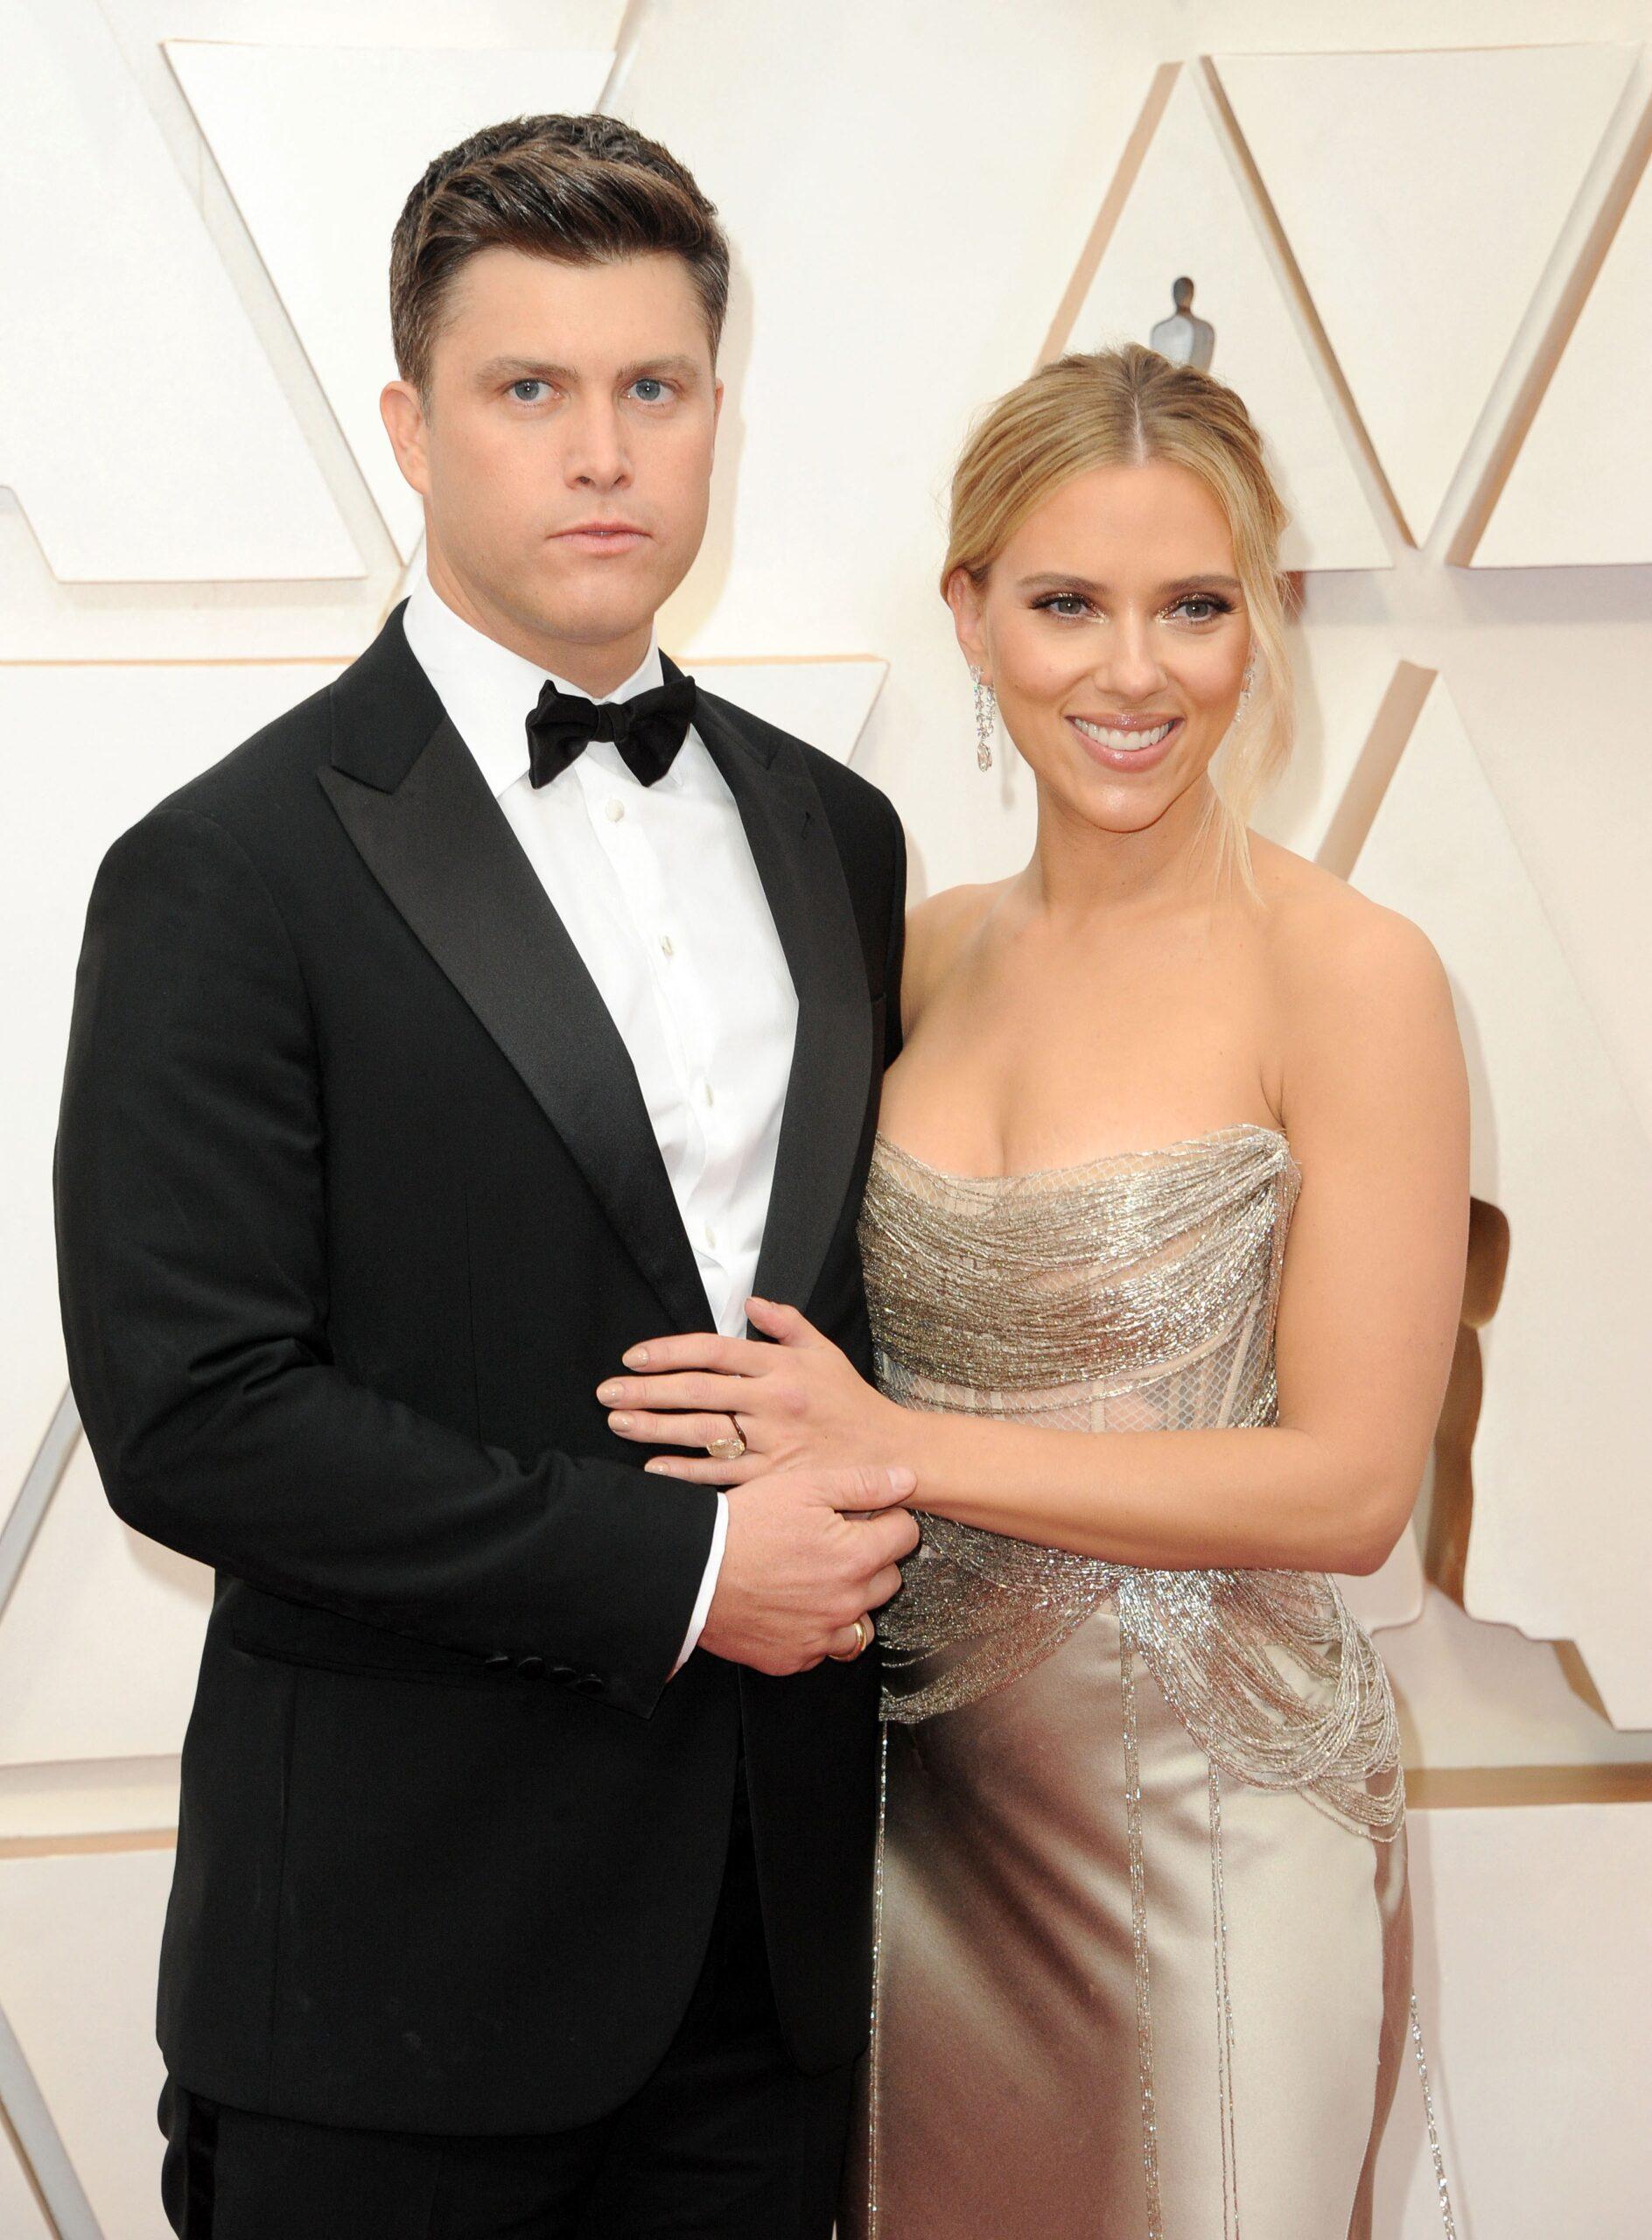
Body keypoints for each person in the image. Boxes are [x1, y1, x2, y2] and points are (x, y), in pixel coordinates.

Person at [53, 113, 916, 2239]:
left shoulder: (840, 837)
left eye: (653, 387)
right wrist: (691, 1577)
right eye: (527, 390)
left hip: (766, 1965)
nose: (601, 452)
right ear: (408, 429)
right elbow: (194, 1413)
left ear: (718, 411)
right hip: (383, 1982)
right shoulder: (221, 868)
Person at [603, 343, 1469, 2236]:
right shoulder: (909, 952)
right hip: (915, 1841)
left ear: (1262, 624)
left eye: (1193, 606)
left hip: (1212, 1839)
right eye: (1066, 600)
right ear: (970, 612)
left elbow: (1339, 1490)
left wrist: (897, 1439)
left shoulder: (1349, 975)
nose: (1131, 671)